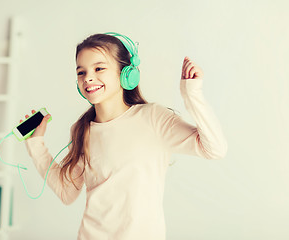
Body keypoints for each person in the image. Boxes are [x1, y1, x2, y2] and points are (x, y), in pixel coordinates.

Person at [21, 32, 227, 240]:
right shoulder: (81, 129)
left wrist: (192, 95)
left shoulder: (153, 118)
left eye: (99, 68)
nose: (88, 78)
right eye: (81, 72)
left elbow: (214, 149)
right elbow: (67, 193)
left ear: (126, 72)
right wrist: (36, 145)